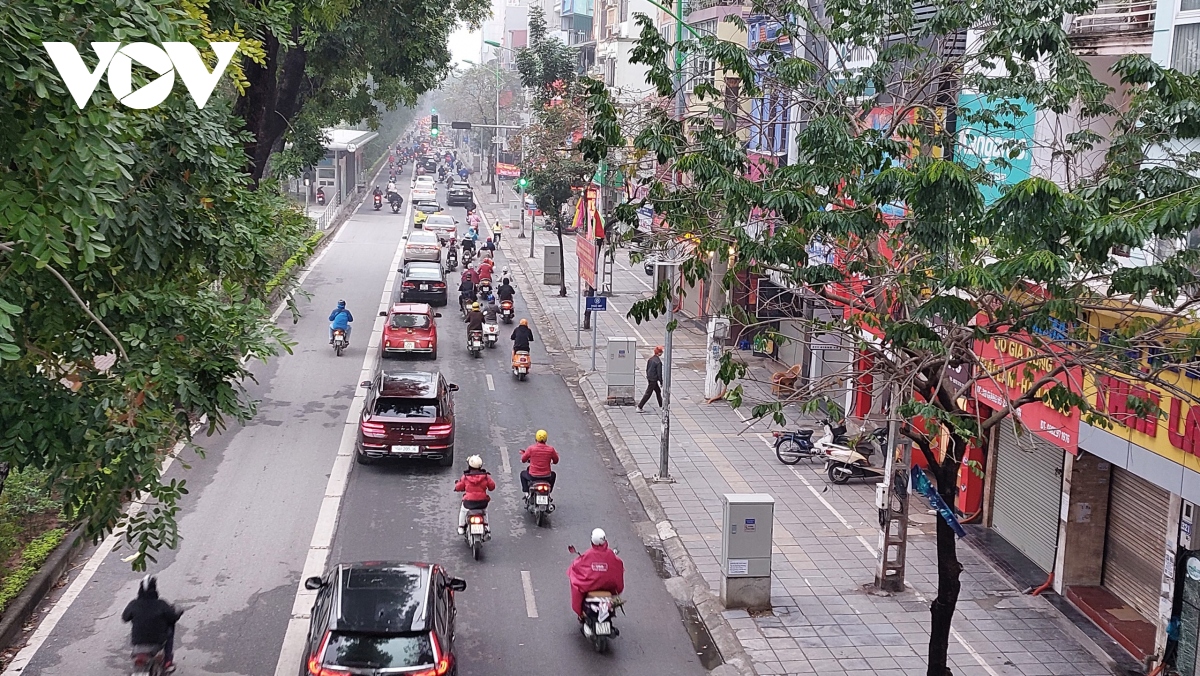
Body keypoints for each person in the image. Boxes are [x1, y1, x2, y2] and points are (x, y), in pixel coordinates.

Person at [123, 575, 184, 671]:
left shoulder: (134, 604)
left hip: (137, 644)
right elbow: (173, 617)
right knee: (170, 628)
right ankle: (168, 661)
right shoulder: (161, 604)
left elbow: (125, 618)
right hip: (157, 643)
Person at [568, 528, 625, 620]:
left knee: (576, 584)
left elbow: (577, 567)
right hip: (608, 587)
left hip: (590, 586)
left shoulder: (588, 554)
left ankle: (581, 613)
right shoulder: (611, 554)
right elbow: (618, 567)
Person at [454, 455, 496, 534]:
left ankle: (461, 527)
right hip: (482, 502)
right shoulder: (486, 476)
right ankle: (486, 525)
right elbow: (492, 487)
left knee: (463, 511)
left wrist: (456, 487)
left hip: (469, 502)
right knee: (485, 511)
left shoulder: (465, 477)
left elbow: (459, 487)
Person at [636, 346, 664, 412]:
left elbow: (647, 369)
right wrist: (661, 381)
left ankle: (661, 405)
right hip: (654, 379)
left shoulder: (650, 359)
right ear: (659, 353)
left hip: (650, 378)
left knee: (658, 391)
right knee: (648, 393)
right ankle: (640, 407)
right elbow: (659, 373)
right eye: (661, 352)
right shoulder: (658, 362)